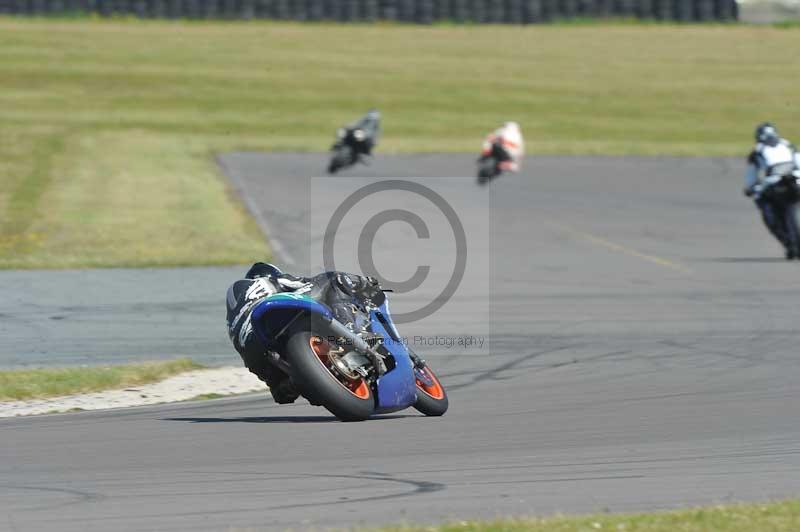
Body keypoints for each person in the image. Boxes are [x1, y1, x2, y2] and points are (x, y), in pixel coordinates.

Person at [225, 263, 382, 404]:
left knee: (284, 390)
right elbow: (303, 283)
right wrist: (366, 283)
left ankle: (295, 382)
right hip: (272, 314)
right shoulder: (270, 282)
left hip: (255, 352)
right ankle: (357, 332)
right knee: (334, 279)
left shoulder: (233, 318)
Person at [744, 122, 800, 258]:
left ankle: (793, 245)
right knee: (774, 218)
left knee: (786, 217)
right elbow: (753, 176)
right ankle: (791, 245)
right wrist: (753, 188)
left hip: (790, 187)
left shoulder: (788, 146)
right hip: (772, 190)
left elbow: (798, 164)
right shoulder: (758, 152)